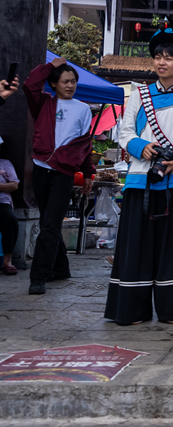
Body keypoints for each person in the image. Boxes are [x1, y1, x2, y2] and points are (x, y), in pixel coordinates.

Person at [105, 26, 173, 323]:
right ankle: (132, 311)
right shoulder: (139, 95)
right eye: (158, 57)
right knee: (136, 246)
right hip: (139, 181)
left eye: (170, 58)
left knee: (172, 249)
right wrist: (141, 146)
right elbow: (125, 133)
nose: (162, 62)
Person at [24, 57, 95, 295]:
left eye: (73, 81)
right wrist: (50, 66)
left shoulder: (84, 108)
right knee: (48, 221)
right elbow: (30, 84)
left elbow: (84, 144)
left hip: (64, 172)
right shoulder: (43, 102)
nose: (70, 85)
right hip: (42, 166)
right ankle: (61, 267)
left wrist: (87, 173)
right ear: (53, 84)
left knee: (52, 223)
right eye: (65, 81)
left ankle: (38, 277)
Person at [0, 138, 20, 275]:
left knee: (10, 221)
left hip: (1, 202)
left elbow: (14, 185)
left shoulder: (5, 164)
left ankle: (7, 261)